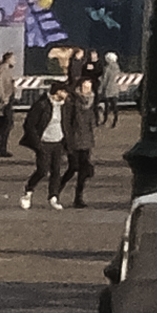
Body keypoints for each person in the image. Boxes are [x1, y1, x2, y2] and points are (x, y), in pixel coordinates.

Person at [55, 61, 98, 209]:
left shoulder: (91, 101)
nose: (88, 88)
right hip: (73, 139)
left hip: (86, 139)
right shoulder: (72, 101)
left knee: (83, 170)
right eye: (85, 85)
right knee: (73, 167)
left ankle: (78, 198)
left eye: (89, 85)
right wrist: (66, 140)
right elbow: (67, 121)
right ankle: (56, 191)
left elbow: (91, 121)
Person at [17, 72, 60, 206]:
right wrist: (37, 143)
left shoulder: (65, 105)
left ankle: (53, 197)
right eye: (64, 92)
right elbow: (29, 125)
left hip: (58, 141)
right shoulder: (41, 104)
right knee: (42, 170)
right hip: (44, 142)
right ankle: (28, 190)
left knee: (56, 171)